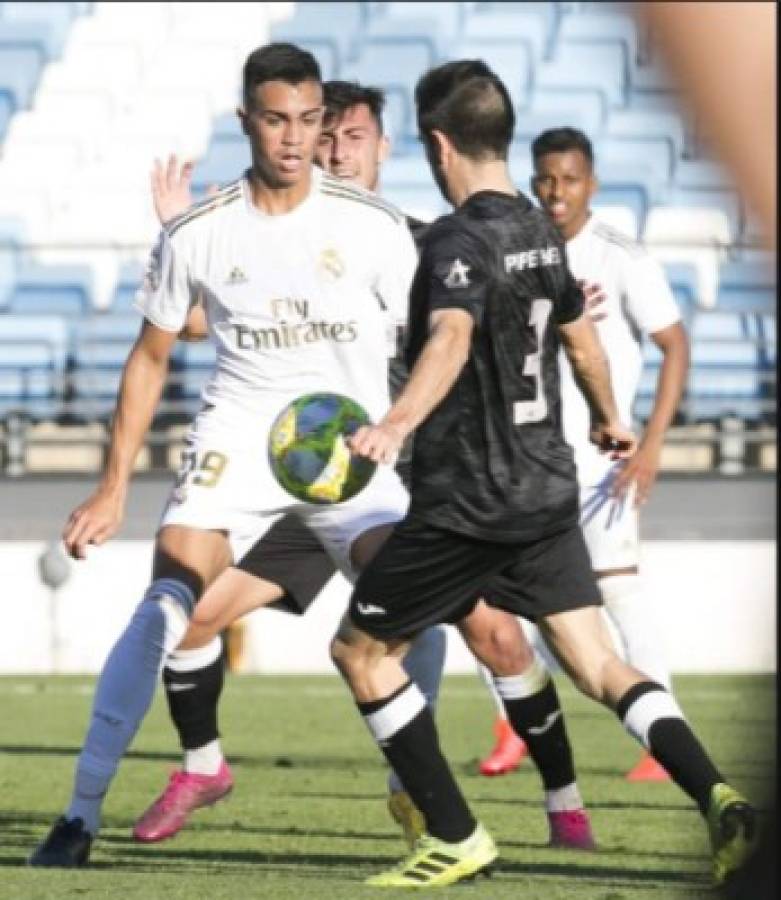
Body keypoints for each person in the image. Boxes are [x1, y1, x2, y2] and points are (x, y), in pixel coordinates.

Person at [132, 81, 594, 853]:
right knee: (194, 619)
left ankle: (564, 803)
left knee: (498, 639)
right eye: (328, 138)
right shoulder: (293, 238)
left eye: (353, 138)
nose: (335, 150)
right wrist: (178, 232)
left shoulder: (423, 242)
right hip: (310, 476)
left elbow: (486, 324)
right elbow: (194, 323)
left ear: (386, 148)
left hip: (395, 486)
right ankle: (202, 766)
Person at [329, 59, 758, 888]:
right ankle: (719, 798)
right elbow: (581, 339)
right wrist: (608, 417)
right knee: (599, 664)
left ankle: (453, 835)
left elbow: (449, 339)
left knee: (360, 652)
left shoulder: (456, 239)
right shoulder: (537, 230)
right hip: (544, 491)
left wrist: (393, 422)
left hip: (466, 502)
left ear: (435, 142)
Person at [28, 43, 419, 868]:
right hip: (239, 442)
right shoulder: (198, 233)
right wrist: (111, 490)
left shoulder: (373, 226)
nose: (292, 138)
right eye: (275, 119)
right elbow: (149, 356)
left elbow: (433, 338)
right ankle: (80, 815)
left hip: (346, 451)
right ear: (247, 120)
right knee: (167, 606)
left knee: (417, 603)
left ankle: (419, 787)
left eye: (308, 121)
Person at [478, 125, 691, 783]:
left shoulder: (621, 257)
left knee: (617, 595)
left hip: (601, 464)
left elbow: (674, 346)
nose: (555, 191)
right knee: (496, 599)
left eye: (568, 179)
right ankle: (512, 727)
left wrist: (648, 445)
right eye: (544, 178)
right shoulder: (518, 253)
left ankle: (664, 735)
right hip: (528, 460)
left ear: (589, 184)